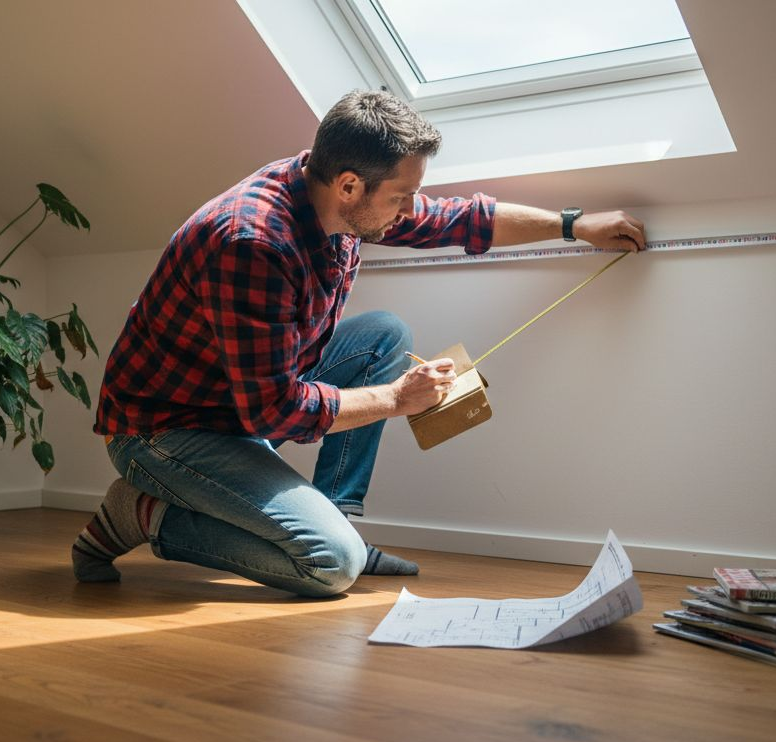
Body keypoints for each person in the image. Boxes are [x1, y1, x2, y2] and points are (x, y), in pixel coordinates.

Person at [73, 89, 646, 596]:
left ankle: (338, 513)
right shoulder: (253, 243)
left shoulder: (340, 196)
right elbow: (277, 412)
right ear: (349, 185)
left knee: (383, 336)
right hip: (165, 431)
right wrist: (397, 400)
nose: (408, 208)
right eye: (401, 196)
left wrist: (574, 224)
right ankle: (139, 515)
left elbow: (459, 219)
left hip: (232, 401)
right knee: (330, 565)